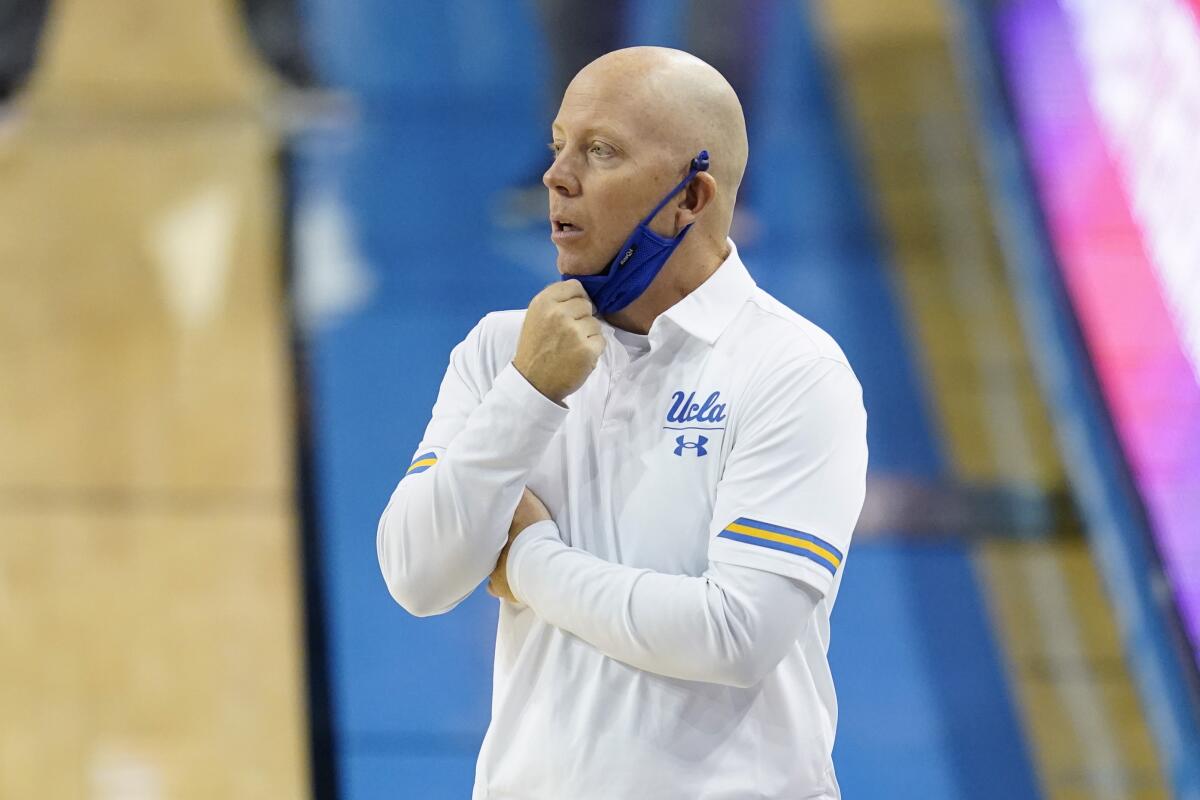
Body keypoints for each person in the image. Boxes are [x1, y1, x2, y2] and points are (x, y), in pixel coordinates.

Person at [378, 46, 868, 800]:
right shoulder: (501, 353)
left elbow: (735, 634)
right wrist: (528, 396)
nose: (556, 176)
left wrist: (530, 558)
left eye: (600, 151)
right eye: (558, 145)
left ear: (691, 197)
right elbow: (418, 576)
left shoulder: (794, 371)